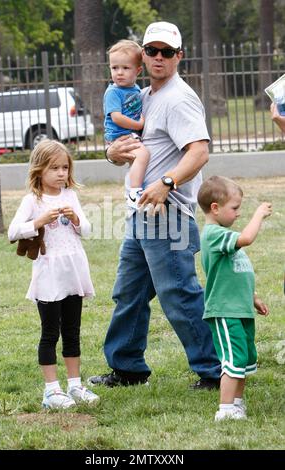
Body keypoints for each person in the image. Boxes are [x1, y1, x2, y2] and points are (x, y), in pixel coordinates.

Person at [88, 21, 221, 390]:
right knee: (128, 293)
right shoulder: (145, 96)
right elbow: (130, 148)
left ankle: (216, 372)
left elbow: (199, 151)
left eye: (167, 52)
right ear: (142, 55)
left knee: (178, 294)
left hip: (169, 215)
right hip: (141, 213)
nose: (158, 57)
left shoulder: (178, 98)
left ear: (180, 56)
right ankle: (127, 367)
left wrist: (166, 183)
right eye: (152, 51)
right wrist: (113, 153)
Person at [8, 139, 100, 409]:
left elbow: (87, 231)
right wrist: (38, 221)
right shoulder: (32, 200)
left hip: (73, 272)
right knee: (50, 332)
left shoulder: (70, 196)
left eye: (65, 167)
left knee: (73, 331)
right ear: (39, 170)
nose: (61, 173)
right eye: (54, 168)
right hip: (49, 274)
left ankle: (74, 385)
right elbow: (14, 231)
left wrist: (75, 219)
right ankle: (51, 391)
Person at [197, 176, 272, 421]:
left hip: (240, 309)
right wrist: (258, 215)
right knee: (232, 360)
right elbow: (247, 238)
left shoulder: (222, 235)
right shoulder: (213, 234)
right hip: (224, 310)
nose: (238, 214)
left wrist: (253, 298)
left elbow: (234, 276)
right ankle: (225, 409)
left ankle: (237, 405)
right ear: (215, 208)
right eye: (235, 208)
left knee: (243, 359)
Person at [104, 39, 150, 208]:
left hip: (129, 132)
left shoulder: (136, 90)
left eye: (125, 68)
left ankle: (138, 185)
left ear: (138, 70)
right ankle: (135, 191)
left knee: (137, 159)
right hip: (119, 134)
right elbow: (116, 117)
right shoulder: (113, 92)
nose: (119, 73)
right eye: (115, 68)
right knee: (142, 155)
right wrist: (138, 125)